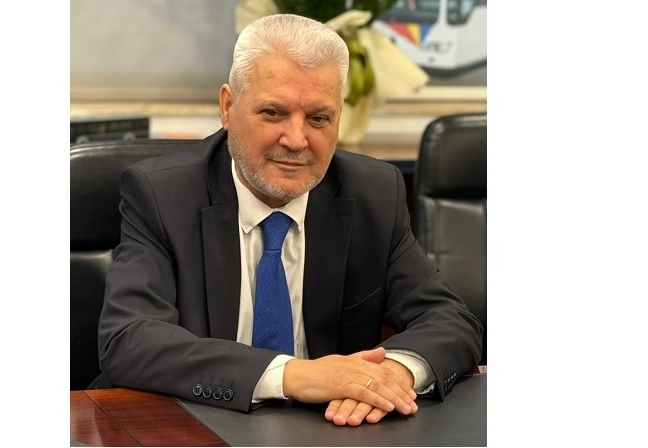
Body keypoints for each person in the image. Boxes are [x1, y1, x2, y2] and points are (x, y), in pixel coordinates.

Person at [93, 13, 483, 427]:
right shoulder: (163, 195)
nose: (296, 140)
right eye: (273, 113)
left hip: (332, 429)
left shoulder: (373, 194)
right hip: (189, 425)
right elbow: (130, 339)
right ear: (228, 107)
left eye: (318, 118)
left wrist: (392, 375)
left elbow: (450, 320)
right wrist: (297, 376)